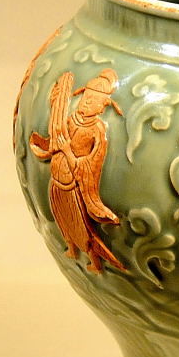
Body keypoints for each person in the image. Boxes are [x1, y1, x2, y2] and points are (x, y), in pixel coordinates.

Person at [30, 69, 125, 273]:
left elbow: (91, 163)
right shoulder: (72, 119)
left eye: (93, 101)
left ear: (102, 107)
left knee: (78, 225)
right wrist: (47, 143)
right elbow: (57, 137)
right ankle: (71, 248)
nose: (87, 103)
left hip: (71, 185)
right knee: (61, 219)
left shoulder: (96, 130)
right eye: (86, 98)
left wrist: (67, 152)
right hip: (57, 180)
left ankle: (94, 260)